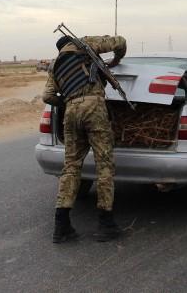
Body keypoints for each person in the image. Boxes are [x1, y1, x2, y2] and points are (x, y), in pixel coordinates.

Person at [42, 33, 126, 243]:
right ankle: (106, 223)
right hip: (94, 108)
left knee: (70, 167)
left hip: (70, 111)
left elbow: (47, 96)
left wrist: (70, 101)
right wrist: (116, 60)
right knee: (104, 165)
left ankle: (61, 226)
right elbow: (121, 42)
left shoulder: (55, 65)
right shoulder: (84, 44)